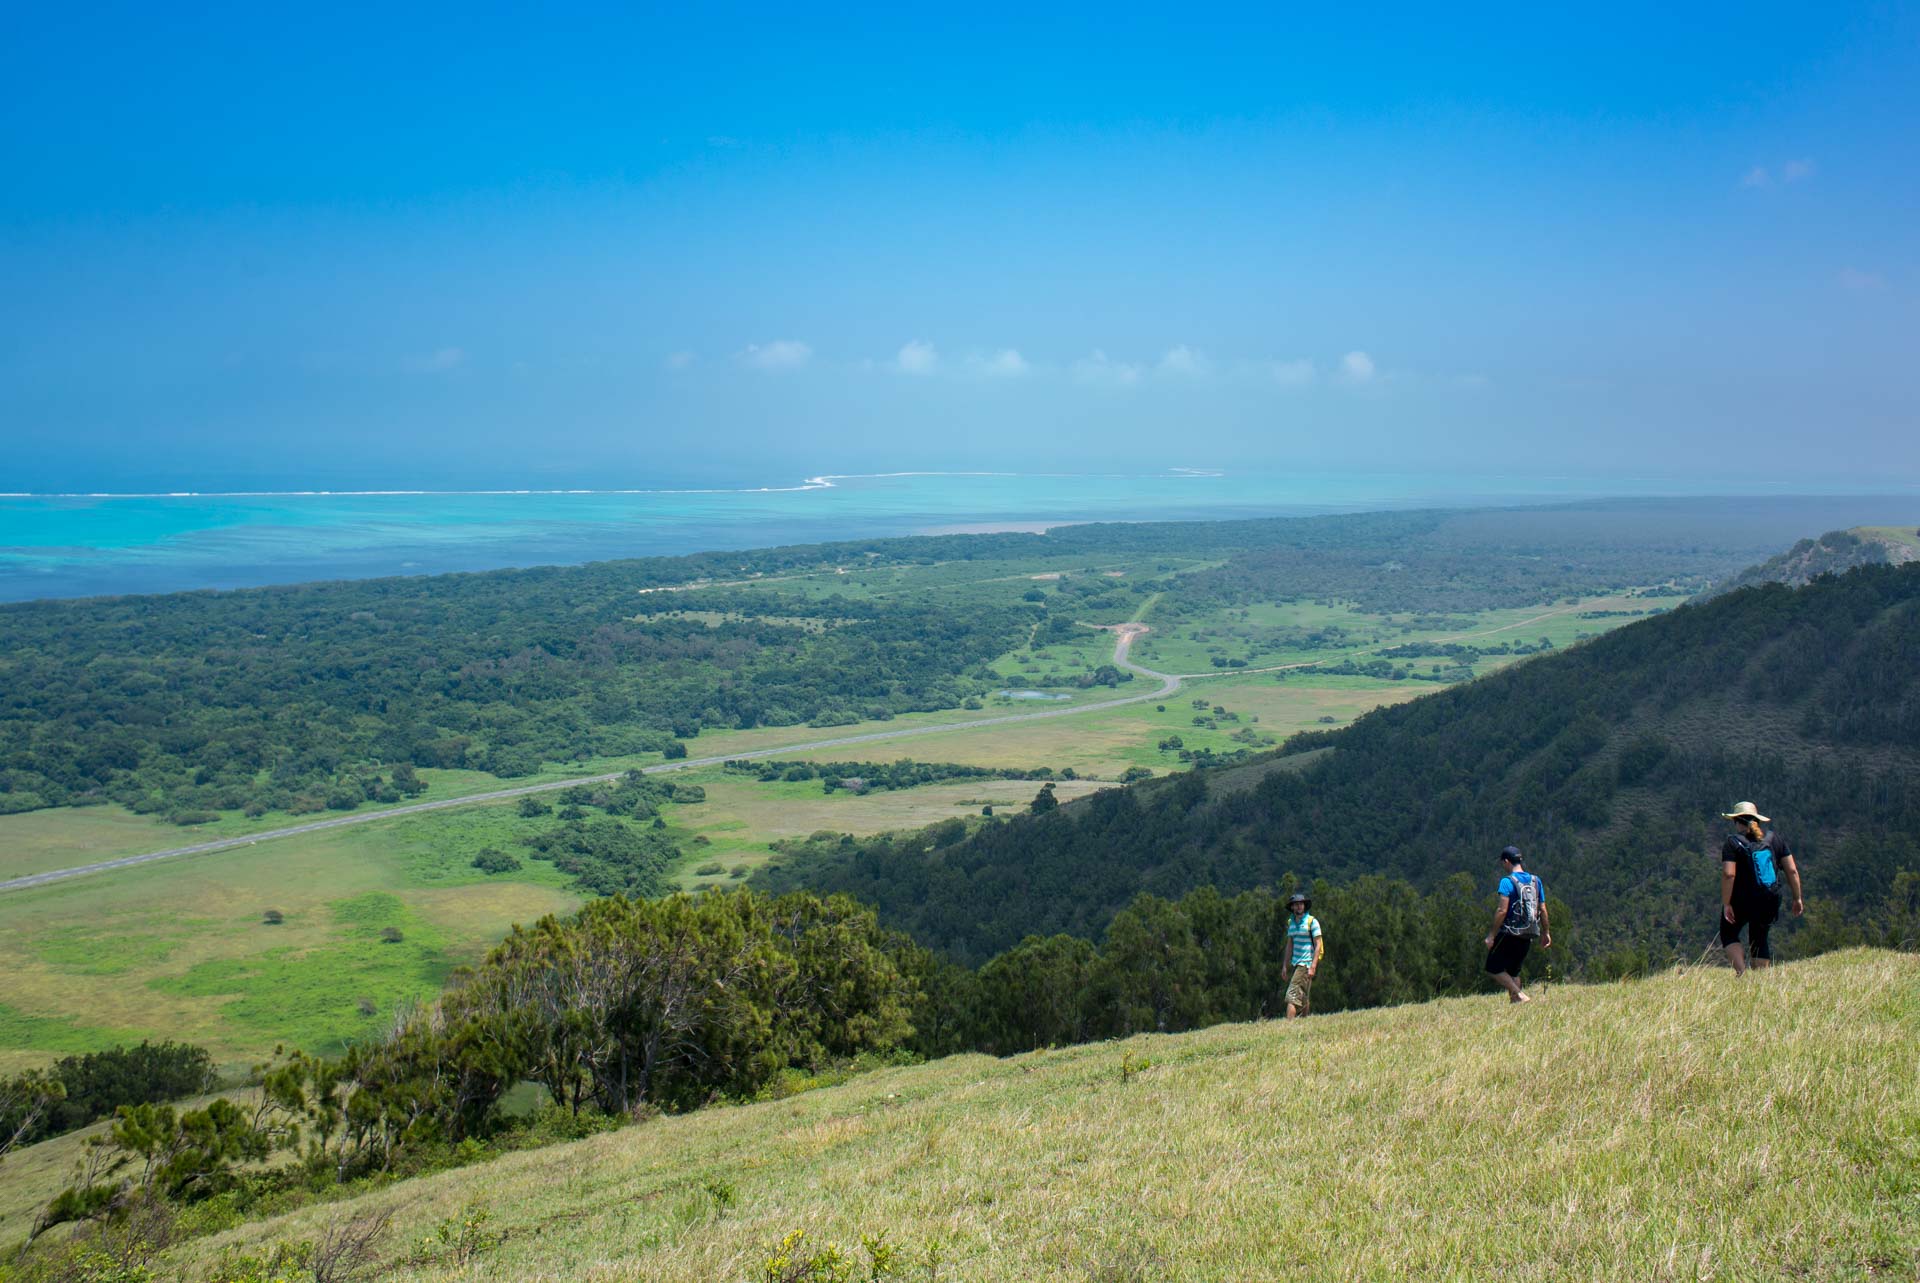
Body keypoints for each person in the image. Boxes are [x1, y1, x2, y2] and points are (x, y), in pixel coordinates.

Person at [1718, 801, 1804, 975]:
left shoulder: (1732, 843)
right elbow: (1792, 871)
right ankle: (1759, 981)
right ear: (1757, 820)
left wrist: (1727, 903)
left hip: (1741, 900)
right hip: (1769, 899)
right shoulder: (1774, 839)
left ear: (1736, 821)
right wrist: (1797, 898)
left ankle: (1741, 973)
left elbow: (1729, 874)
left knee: (1729, 933)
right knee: (1759, 937)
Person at [1484, 846, 1550, 1003]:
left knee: (1493, 968)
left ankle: (1518, 994)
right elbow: (1543, 909)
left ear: (1506, 861)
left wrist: (1491, 935)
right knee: (1514, 972)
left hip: (1509, 933)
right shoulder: (1536, 881)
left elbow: (1502, 910)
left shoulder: (1507, 882)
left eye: (1503, 863)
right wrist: (1546, 932)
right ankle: (1516, 1003)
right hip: (1529, 932)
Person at [1283, 892, 1323, 1018]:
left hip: (1306, 963)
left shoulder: (1312, 922)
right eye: (1296, 904)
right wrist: (1285, 965)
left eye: (1301, 904)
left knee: (1292, 996)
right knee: (1304, 995)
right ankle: (1305, 1021)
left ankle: (1289, 1026)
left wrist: (1313, 966)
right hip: (1296, 962)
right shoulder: (1291, 923)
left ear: (1305, 906)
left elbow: (1318, 945)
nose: (1299, 906)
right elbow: (1290, 945)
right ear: (1292, 907)